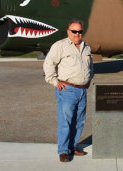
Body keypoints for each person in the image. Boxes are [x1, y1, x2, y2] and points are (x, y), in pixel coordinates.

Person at [43, 19, 94, 162]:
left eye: (79, 31)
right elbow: (49, 63)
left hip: (82, 90)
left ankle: (72, 146)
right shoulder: (60, 46)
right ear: (68, 32)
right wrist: (54, 81)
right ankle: (63, 151)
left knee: (79, 121)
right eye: (74, 31)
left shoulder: (86, 47)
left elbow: (91, 66)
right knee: (65, 121)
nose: (77, 34)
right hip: (67, 89)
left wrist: (88, 79)